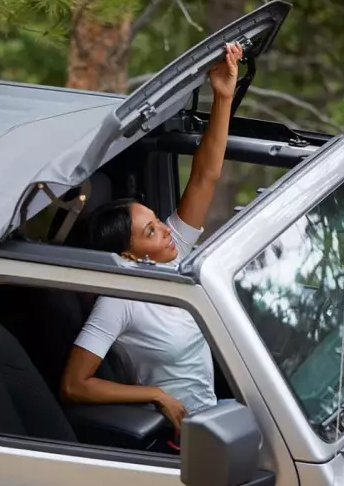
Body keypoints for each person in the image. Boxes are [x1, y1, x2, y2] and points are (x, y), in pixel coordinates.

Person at [60, 41, 244, 440]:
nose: (165, 229)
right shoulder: (117, 301)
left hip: (217, 421)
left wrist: (223, 96)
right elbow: (75, 384)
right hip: (181, 440)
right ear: (127, 255)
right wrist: (154, 395)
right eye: (151, 231)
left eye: (157, 221)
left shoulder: (170, 254)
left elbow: (204, 177)